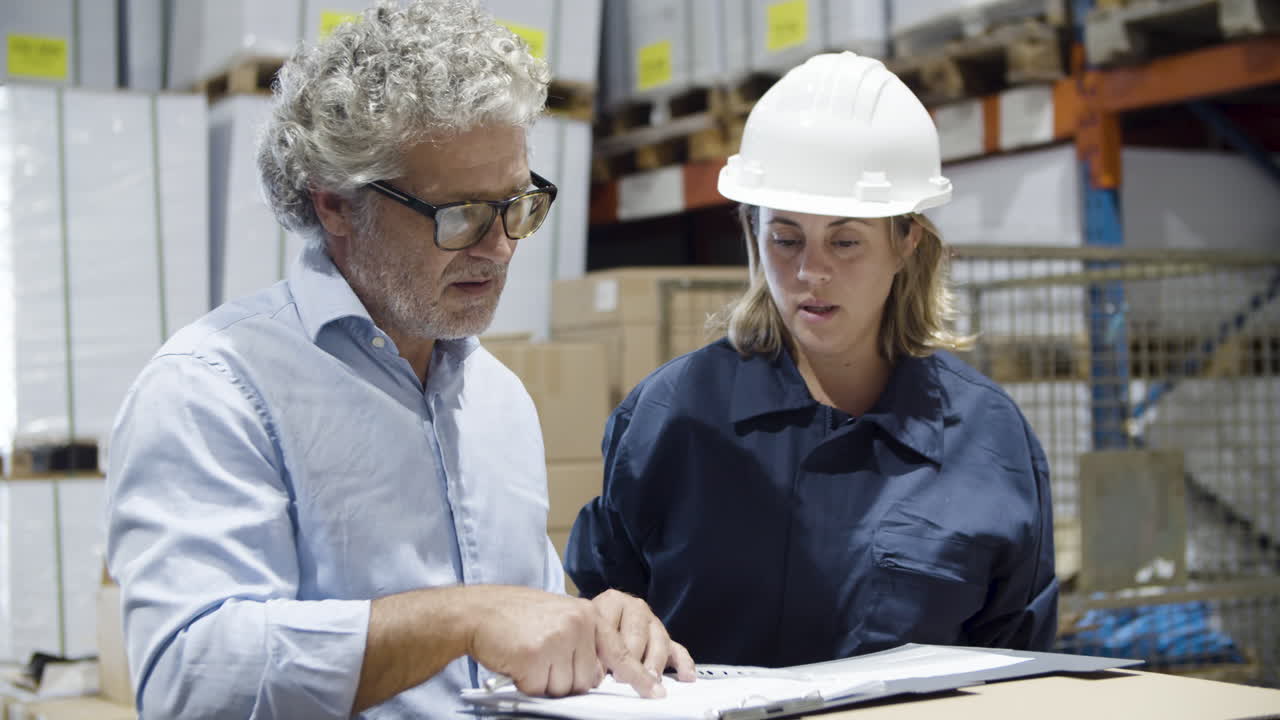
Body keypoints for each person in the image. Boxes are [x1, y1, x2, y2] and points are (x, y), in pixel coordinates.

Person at [104, 2, 693, 718]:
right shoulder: (212, 391)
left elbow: (512, 621)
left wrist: (594, 630)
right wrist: (459, 619)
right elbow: (191, 680)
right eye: (460, 215)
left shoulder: (496, 398)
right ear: (335, 206)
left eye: (517, 204)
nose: (500, 247)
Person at [565, 52, 1058, 667]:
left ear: (907, 241)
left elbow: (1017, 661)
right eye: (786, 238)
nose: (811, 272)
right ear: (752, 230)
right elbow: (605, 606)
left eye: (846, 241)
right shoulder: (673, 416)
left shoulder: (987, 438)